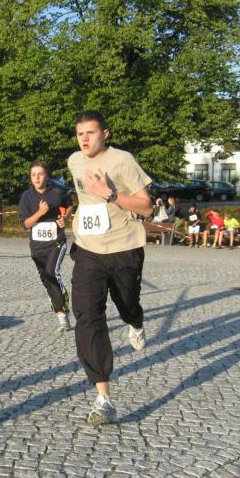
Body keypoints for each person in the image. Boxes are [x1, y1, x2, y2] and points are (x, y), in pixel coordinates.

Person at [67, 110, 152, 426]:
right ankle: (103, 397)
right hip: (88, 250)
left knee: (127, 302)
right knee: (87, 315)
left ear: (105, 133)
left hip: (124, 248)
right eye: (80, 134)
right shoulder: (74, 161)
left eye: (90, 133)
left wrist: (110, 194)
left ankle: (135, 321)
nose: (84, 139)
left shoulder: (123, 161)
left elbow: (147, 206)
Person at [18, 161, 74, 331]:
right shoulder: (26, 197)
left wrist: (65, 217)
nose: (37, 178)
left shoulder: (57, 192)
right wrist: (40, 213)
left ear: (47, 176)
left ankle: (62, 313)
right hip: (37, 246)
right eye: (33, 175)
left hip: (56, 242)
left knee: (52, 272)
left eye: (40, 174)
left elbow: (69, 206)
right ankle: (61, 312)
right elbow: (25, 224)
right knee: (47, 279)